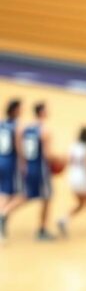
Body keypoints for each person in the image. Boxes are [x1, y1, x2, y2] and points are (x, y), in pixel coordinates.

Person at [0, 101, 58, 241]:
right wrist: (63, 159)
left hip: (24, 166)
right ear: (42, 112)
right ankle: (41, 230)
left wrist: (24, 164)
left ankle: (4, 213)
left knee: (24, 194)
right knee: (46, 197)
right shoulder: (44, 130)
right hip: (39, 169)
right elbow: (47, 155)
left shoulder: (25, 128)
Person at [0, 98, 22, 238]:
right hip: (10, 163)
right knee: (15, 194)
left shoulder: (2, 124)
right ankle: (3, 215)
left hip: (1, 159)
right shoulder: (17, 127)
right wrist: (23, 165)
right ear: (15, 110)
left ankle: (3, 216)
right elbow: (19, 149)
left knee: (4, 192)